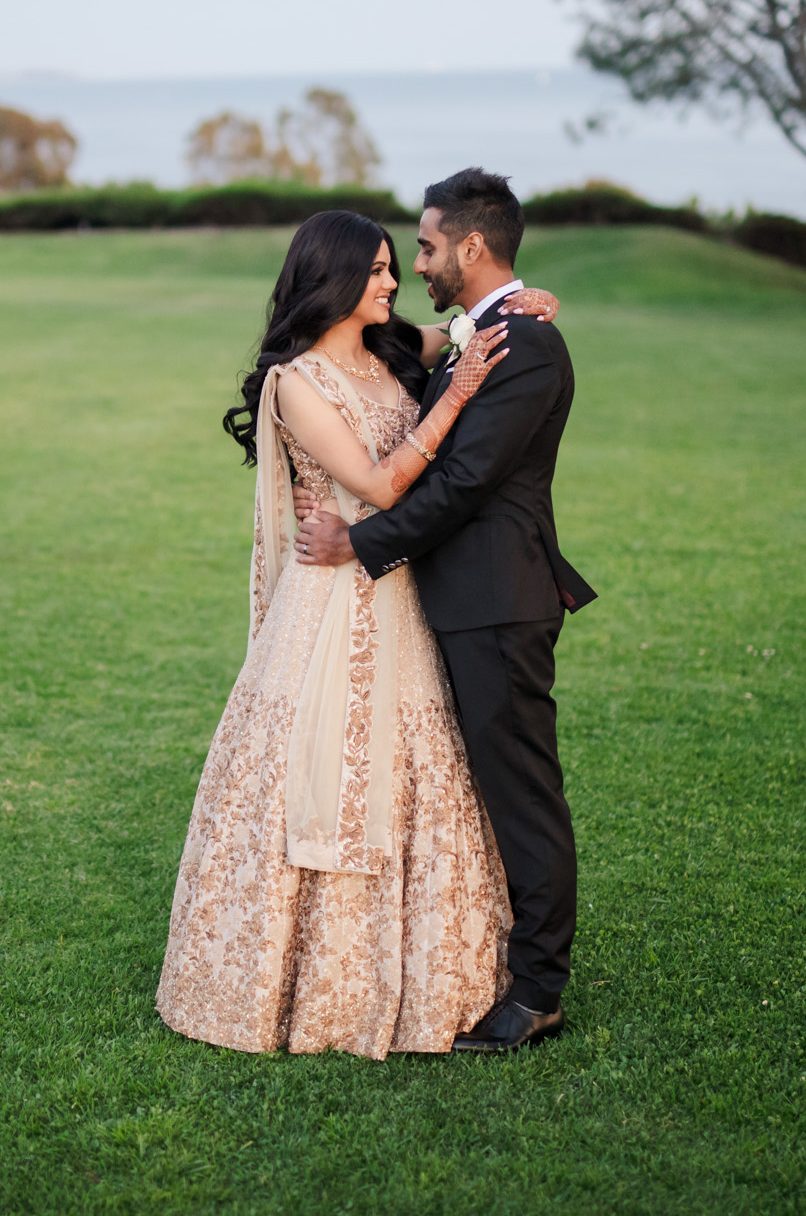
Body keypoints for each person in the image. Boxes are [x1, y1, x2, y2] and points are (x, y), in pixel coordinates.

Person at [155, 208, 561, 1059]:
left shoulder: (389, 350)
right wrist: (454, 394)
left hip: (404, 592)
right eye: (379, 270)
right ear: (338, 281)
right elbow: (378, 484)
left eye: (399, 260)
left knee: (422, 768)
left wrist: (516, 305)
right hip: (332, 598)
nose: (394, 279)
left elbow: (447, 327)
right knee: (321, 771)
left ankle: (448, 971)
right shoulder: (297, 382)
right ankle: (299, 976)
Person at [293, 168, 595, 1053]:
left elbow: (465, 482)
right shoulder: (488, 329)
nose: (416, 262)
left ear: (470, 245)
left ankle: (538, 988)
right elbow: (414, 342)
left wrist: (363, 541)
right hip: (459, 600)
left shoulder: (526, 347)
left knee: (523, 795)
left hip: (496, 603)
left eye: (424, 246)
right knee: (485, 792)